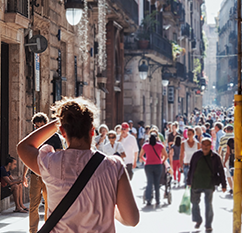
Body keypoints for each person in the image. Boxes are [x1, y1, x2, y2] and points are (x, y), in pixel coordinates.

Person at [17, 97, 139, 232]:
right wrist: (110, 207)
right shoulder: (114, 166)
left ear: (62, 132)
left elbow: (23, 147)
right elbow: (131, 219)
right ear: (92, 130)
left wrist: (58, 122)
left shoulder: (51, 163)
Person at [22, 112, 63, 232]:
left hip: (49, 175)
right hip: (35, 175)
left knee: (49, 204)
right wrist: (24, 175)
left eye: (41, 126)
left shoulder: (55, 137)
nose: (39, 129)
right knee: (33, 205)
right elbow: (28, 157)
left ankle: (47, 229)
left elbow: (59, 155)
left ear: (46, 125)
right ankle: (33, 231)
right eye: (37, 126)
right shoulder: (32, 138)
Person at [187, 138, 227, 231]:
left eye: (207, 145)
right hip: (196, 183)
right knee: (194, 203)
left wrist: (224, 185)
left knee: (208, 204)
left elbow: (221, 171)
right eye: (204, 144)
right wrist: (189, 181)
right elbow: (191, 168)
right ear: (201, 145)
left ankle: (208, 224)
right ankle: (198, 219)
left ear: (210, 146)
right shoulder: (196, 155)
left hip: (209, 184)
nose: (205, 147)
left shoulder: (215, 157)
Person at [139, 133, 167, 206]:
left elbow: (140, 155)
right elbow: (165, 155)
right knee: (157, 183)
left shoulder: (145, 145)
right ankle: (157, 200)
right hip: (158, 165)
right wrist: (162, 161)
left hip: (148, 165)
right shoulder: (160, 145)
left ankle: (148, 199)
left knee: (149, 182)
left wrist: (145, 160)